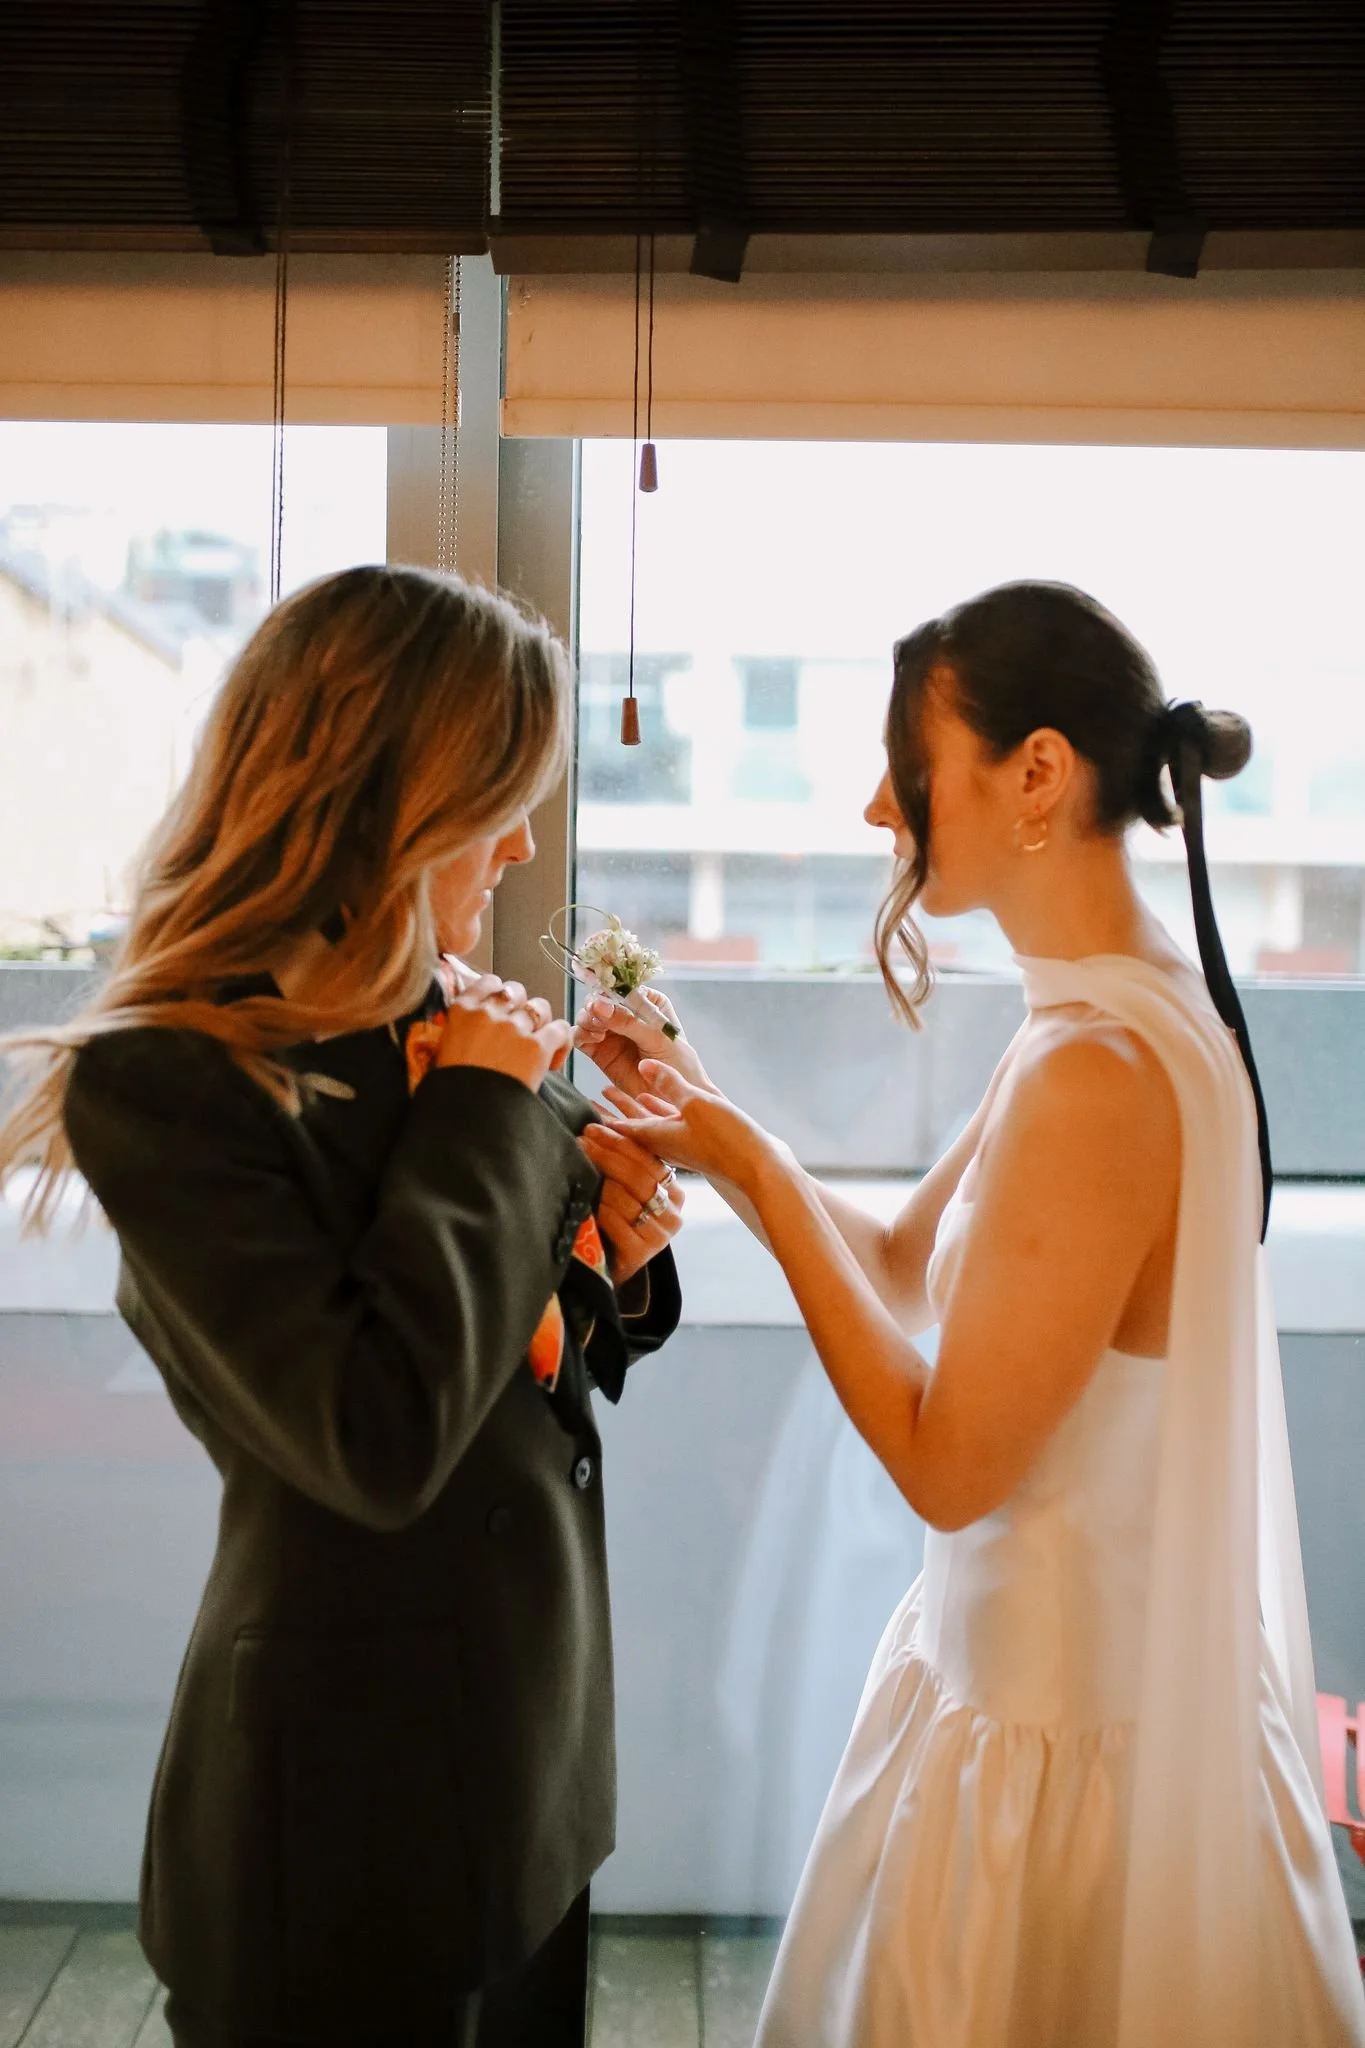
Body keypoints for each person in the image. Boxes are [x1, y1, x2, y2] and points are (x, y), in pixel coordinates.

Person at [576, 581, 1365, 2047]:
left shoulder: (1095, 1076)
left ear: (1039, 776)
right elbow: (888, 1258)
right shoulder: (1105, 1013)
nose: (881, 803)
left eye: (910, 760)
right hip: (1020, 1701)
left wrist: (740, 1158)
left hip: (1069, 1772)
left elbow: (948, 1469)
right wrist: (707, 1105)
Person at [0, 565, 684, 2048]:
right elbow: (372, 1431)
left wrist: (605, 1270)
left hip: (531, 1765)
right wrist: (497, 1119)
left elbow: (515, 1339)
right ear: (383, 793)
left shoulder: (439, 1012)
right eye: (497, 801)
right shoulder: (168, 1081)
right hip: (343, 1816)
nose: (517, 845)